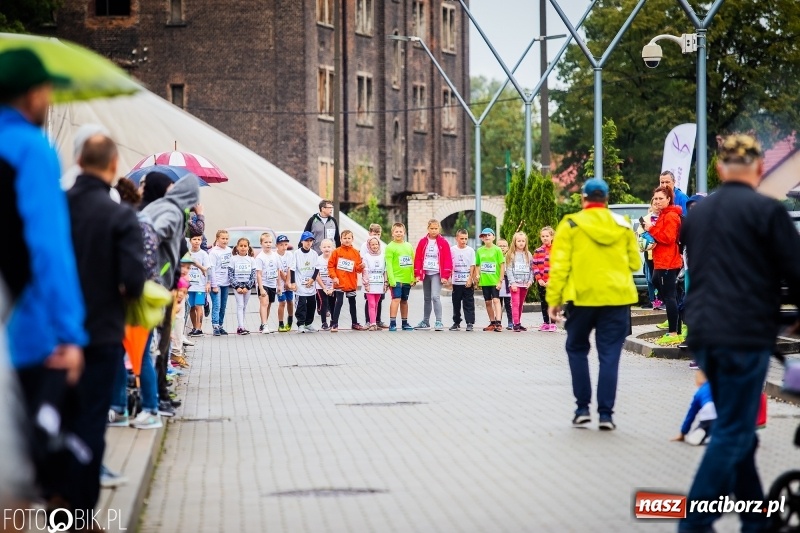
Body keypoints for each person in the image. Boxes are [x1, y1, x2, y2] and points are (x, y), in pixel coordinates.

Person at [678, 135, 800, 532]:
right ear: (761, 168)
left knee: (739, 433)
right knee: (734, 431)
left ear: (718, 168)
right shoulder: (767, 211)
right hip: (744, 335)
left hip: (704, 333)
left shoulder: (698, 214)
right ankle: (692, 524)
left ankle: (756, 521)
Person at [0, 48, 88, 499]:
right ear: (34, 94)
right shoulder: (30, 149)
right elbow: (49, 249)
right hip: (22, 333)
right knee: (19, 484)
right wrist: (70, 334)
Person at [65, 134, 146, 517]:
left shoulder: (55, 207)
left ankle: (54, 496)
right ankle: (79, 515)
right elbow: (133, 282)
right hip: (99, 331)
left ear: (79, 161)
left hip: (55, 332)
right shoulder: (119, 217)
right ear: (114, 166)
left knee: (59, 415)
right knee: (91, 418)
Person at [547, 178, 640, 430]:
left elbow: (559, 267)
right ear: (607, 199)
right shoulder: (622, 225)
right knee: (610, 355)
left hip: (582, 298)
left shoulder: (571, 224)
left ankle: (582, 409)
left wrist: (553, 300)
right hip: (618, 298)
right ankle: (607, 414)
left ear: (583, 199)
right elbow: (635, 264)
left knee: (577, 349)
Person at [141, 174, 200, 409]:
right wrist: (157, 269)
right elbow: (154, 233)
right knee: (158, 342)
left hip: (158, 281)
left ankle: (159, 392)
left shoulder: (158, 207)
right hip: (158, 284)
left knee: (156, 342)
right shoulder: (171, 211)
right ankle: (156, 397)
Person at [643, 186, 683, 345]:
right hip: (660, 261)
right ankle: (676, 329)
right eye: (655, 198)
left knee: (670, 296)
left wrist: (651, 230)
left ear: (668, 200)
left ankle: (673, 332)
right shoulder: (662, 215)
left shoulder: (671, 216)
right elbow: (658, 237)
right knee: (658, 284)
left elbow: (667, 238)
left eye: (661, 198)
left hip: (668, 262)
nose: (657, 201)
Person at [413, 219, 453, 331]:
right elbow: (417, 258)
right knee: (426, 298)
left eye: (436, 228)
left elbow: (448, 259)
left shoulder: (443, 243)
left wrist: (445, 275)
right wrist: (417, 273)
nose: (434, 231)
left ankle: (439, 321)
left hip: (437, 273)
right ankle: (425, 322)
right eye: (432, 228)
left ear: (439, 229)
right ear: (428, 229)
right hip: (426, 273)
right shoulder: (422, 242)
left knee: (435, 296)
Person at [328, 230, 365, 332]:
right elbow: (330, 266)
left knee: (352, 303)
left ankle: (354, 323)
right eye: (345, 238)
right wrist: (334, 277)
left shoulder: (356, 253)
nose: (347, 240)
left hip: (351, 282)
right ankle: (334, 323)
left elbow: (358, 269)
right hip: (339, 282)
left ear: (352, 239)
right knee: (339, 302)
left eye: (349, 238)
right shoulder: (336, 252)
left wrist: (361, 267)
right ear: (340, 239)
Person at [671, 370, 715, 446]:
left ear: (697, 383)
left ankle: (703, 430)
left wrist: (683, 433)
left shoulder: (699, 393)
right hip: (723, 413)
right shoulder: (719, 385)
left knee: (705, 426)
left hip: (708, 414)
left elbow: (691, 414)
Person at [385, 223, 416, 332]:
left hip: (407, 279)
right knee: (396, 299)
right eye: (396, 231)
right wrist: (391, 279)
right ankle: (392, 323)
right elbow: (388, 264)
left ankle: (404, 322)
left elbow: (412, 262)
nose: (398, 233)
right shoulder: (390, 247)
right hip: (396, 279)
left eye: (400, 231)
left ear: (404, 233)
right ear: (392, 233)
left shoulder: (409, 246)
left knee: (404, 300)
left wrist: (413, 277)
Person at [476, 228, 506, 332]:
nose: (486, 237)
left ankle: (498, 323)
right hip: (485, 281)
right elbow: (478, 265)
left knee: (496, 300)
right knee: (488, 302)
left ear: (493, 237)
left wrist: (500, 281)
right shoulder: (480, 250)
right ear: (482, 238)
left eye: (489, 235)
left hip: (495, 280)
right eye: (484, 236)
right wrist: (477, 274)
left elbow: (502, 266)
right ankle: (492, 323)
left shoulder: (497, 250)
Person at [360, 224, 388, 328]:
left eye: (378, 234)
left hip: (379, 279)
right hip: (369, 279)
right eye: (374, 233)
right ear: (369, 233)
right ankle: (369, 321)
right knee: (369, 300)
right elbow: (363, 262)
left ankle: (378, 320)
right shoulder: (364, 246)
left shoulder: (383, 246)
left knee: (379, 300)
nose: (376, 236)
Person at [449, 229, 476, 331]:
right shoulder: (452, 250)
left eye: (465, 239)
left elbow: (472, 265)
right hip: (456, 281)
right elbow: (450, 264)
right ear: (456, 238)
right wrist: (450, 278)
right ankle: (456, 322)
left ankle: (469, 322)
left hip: (467, 281)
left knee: (468, 302)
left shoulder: (470, 250)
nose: (463, 241)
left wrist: (470, 278)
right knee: (456, 302)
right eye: (461, 238)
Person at [505, 231, 533, 332]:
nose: (521, 243)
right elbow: (508, 269)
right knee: (515, 303)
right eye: (519, 241)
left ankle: (518, 322)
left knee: (521, 304)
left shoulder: (528, 254)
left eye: (523, 241)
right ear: (514, 242)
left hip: (525, 284)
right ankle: (515, 323)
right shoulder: (511, 254)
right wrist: (512, 283)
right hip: (515, 284)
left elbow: (531, 269)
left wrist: (530, 281)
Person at [636, 198, 661, 310]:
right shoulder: (645, 219)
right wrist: (642, 244)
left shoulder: (665, 217)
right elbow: (639, 235)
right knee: (651, 278)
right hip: (649, 253)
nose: (656, 205)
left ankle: (661, 300)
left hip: (662, 253)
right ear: (651, 205)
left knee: (660, 278)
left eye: (658, 202)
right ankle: (654, 301)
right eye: (654, 203)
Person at [293, 232, 320, 333]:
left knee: (312, 305)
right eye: (306, 241)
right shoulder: (296, 253)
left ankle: (308, 323)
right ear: (302, 241)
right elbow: (292, 269)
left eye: (310, 241)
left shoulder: (314, 254)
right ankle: (301, 324)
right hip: (300, 286)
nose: (308, 243)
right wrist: (293, 283)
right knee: (301, 305)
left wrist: (312, 279)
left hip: (311, 285)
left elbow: (317, 268)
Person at [228, 238, 256, 335]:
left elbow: (253, 275)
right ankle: (241, 327)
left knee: (244, 306)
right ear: (237, 247)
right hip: (238, 286)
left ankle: (241, 325)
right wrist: (237, 287)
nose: (243, 248)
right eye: (241, 246)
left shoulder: (251, 260)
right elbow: (230, 275)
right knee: (240, 305)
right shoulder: (233, 259)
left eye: (245, 246)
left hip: (247, 287)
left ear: (248, 247)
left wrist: (247, 287)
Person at [187, 235, 212, 336]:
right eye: (194, 239)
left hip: (200, 286)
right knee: (191, 307)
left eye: (199, 240)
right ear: (190, 241)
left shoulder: (203, 254)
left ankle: (199, 328)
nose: (197, 242)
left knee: (198, 306)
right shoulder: (187, 253)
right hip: (189, 286)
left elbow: (208, 269)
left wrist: (208, 283)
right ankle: (194, 327)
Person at [255, 232, 280, 334]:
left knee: (269, 304)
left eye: (270, 242)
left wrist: (279, 285)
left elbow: (278, 270)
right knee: (264, 303)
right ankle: (265, 325)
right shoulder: (260, 257)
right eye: (266, 242)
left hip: (272, 283)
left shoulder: (275, 255)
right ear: (261, 243)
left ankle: (263, 323)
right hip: (263, 283)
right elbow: (259, 274)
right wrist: (261, 288)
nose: (268, 244)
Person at [533, 226, 556, 331]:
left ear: (552, 237)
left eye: (547, 236)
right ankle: (546, 322)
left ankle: (553, 323)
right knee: (544, 302)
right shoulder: (538, 251)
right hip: (541, 282)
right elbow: (535, 266)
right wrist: (539, 279)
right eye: (543, 236)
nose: (545, 238)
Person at [209, 230, 232, 336]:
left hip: (225, 283)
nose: (225, 240)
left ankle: (221, 325)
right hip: (216, 283)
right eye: (223, 238)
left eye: (227, 238)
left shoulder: (229, 250)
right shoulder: (214, 252)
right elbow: (212, 269)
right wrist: (213, 285)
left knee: (223, 306)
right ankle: (215, 326)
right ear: (217, 239)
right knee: (217, 305)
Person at [275, 235, 296, 332]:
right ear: (277, 245)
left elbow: (290, 269)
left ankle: (290, 320)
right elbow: (279, 270)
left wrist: (288, 282)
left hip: (288, 280)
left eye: (286, 244)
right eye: (281, 245)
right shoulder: (274, 255)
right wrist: (284, 282)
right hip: (279, 283)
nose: (284, 247)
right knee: (282, 302)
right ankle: (281, 323)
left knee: (290, 301)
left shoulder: (289, 255)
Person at [316, 239, 336, 331]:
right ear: (321, 248)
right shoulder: (318, 259)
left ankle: (333, 321)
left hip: (332, 286)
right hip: (321, 286)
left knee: (332, 303)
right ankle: (324, 322)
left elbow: (337, 274)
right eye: (324, 247)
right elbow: (317, 274)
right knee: (323, 302)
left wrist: (332, 287)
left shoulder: (335, 259)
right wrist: (323, 287)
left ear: (332, 248)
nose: (326, 249)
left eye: (329, 247)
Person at [496, 239, 514, 330]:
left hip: (507, 283)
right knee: (498, 303)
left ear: (507, 248)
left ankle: (510, 321)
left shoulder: (510, 257)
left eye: (504, 246)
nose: (502, 247)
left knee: (508, 304)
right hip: (497, 283)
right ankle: (498, 321)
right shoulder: (495, 256)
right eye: (500, 246)